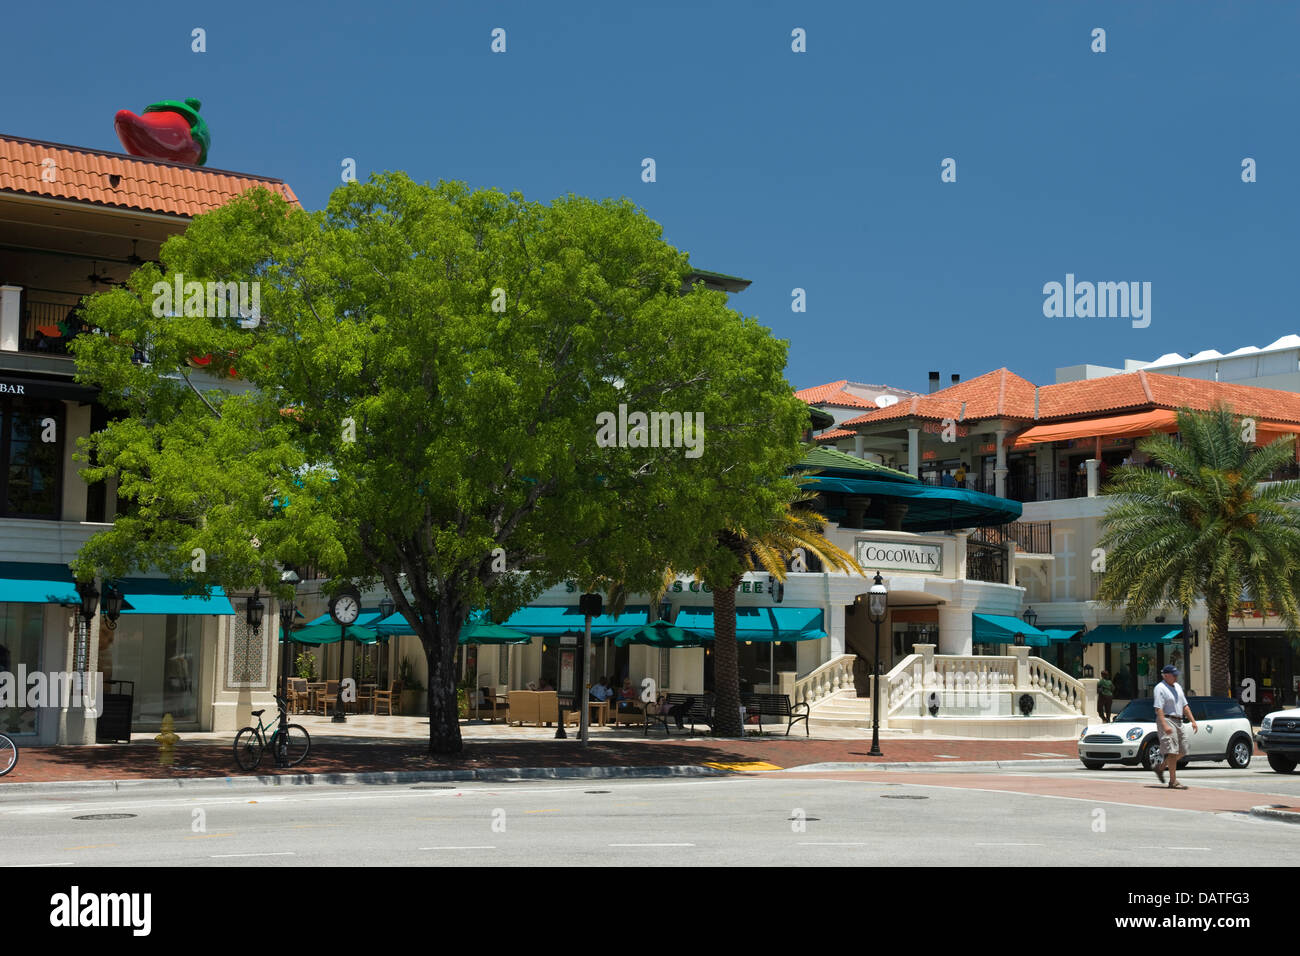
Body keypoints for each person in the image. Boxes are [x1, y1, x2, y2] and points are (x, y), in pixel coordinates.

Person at [1152, 664, 1197, 789]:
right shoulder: (1160, 688)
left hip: (1179, 721)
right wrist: (1164, 725)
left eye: (1177, 674)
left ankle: (1160, 767)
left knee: (1183, 751)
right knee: (1172, 752)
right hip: (1166, 719)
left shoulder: (1178, 687)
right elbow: (1158, 708)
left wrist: (1193, 721)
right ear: (1166, 675)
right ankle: (1173, 781)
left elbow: (1185, 706)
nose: (1176, 677)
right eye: (1174, 675)